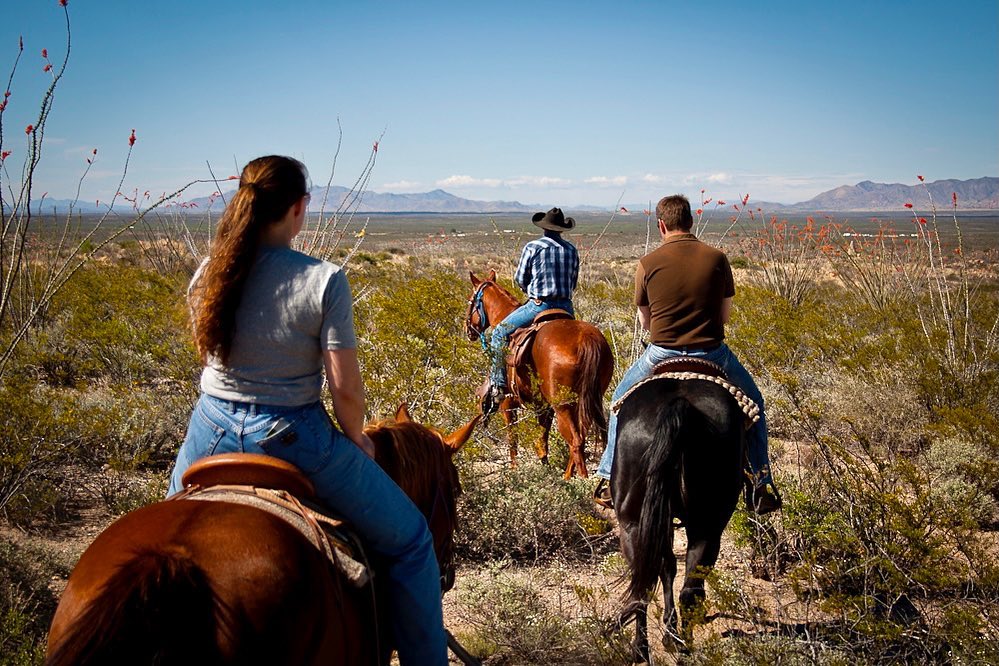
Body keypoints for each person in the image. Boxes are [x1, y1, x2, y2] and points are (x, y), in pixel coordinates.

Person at [166, 155, 447, 665]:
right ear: (299, 208)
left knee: (162, 532)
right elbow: (345, 390)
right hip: (295, 436)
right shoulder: (323, 279)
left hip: (209, 429)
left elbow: (205, 350)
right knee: (411, 544)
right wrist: (356, 436)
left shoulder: (211, 270)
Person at [593, 194, 781, 514]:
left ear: (661, 225)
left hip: (660, 353)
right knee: (756, 406)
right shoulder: (717, 258)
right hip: (712, 353)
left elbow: (645, 321)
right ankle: (761, 482)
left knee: (618, 404)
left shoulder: (647, 263)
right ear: (691, 221)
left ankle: (609, 476)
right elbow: (724, 317)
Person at [481, 207, 579, 415]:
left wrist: (530, 291)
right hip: (566, 308)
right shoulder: (571, 250)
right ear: (562, 229)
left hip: (539, 305)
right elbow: (574, 282)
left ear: (543, 227)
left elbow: (520, 278)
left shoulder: (533, 247)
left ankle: (498, 385)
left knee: (499, 332)